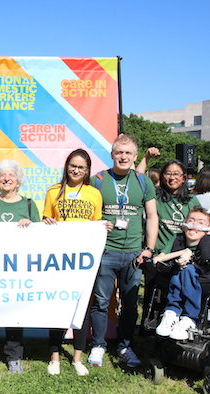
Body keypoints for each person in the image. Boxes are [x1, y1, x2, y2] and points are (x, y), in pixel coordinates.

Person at [88, 134, 158, 368]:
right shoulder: (97, 180)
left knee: (130, 304)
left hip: (133, 254)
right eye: (119, 152)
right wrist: (97, 225)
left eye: (128, 153)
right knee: (100, 302)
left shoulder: (143, 181)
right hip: (105, 252)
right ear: (112, 154)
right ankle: (98, 345)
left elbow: (152, 216)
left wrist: (149, 248)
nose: (124, 157)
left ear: (135, 156)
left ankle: (125, 347)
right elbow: (86, 215)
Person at [41, 149, 108, 376]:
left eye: (81, 167)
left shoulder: (94, 194)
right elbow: (45, 220)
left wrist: (103, 227)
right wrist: (46, 221)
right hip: (59, 259)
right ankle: (55, 357)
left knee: (83, 308)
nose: (76, 170)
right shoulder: (53, 191)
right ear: (66, 166)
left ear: (87, 170)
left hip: (83, 261)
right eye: (73, 165)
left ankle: (77, 358)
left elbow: (96, 226)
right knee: (56, 307)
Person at [0, 159, 40, 376]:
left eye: (11, 175)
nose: (7, 178)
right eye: (2, 175)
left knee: (14, 313)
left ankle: (14, 358)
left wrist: (31, 227)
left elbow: (42, 240)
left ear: (18, 180)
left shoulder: (29, 205)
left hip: (19, 270)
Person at [154, 206, 210, 339]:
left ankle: (189, 318)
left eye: (201, 223)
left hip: (203, 273)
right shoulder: (177, 239)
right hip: (177, 273)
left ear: (209, 230)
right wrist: (183, 252)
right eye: (191, 221)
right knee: (179, 270)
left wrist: (192, 258)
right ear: (184, 226)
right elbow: (160, 257)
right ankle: (172, 312)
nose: (195, 225)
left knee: (188, 269)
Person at [155, 160, 202, 252]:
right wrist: (146, 158)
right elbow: (136, 178)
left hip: (183, 254)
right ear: (163, 177)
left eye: (176, 174)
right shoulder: (155, 197)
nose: (172, 177)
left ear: (184, 178)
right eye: (168, 173)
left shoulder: (192, 200)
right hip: (159, 253)